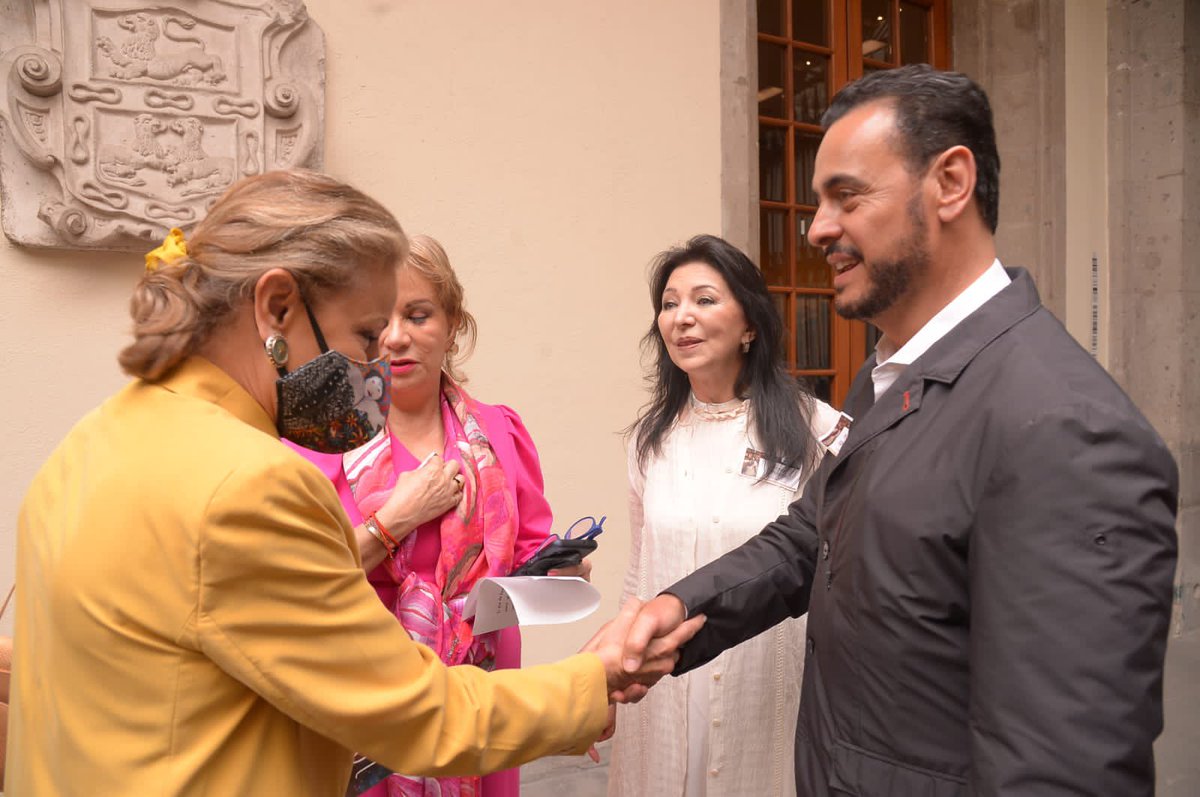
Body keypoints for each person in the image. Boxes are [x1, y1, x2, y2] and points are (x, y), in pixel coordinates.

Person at [7, 169, 700, 797]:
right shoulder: (249, 484)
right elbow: (418, 715)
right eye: (366, 334)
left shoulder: (86, 444)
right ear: (277, 307)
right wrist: (595, 676)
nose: (376, 362)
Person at [620, 65, 1179, 796]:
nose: (818, 228)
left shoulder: (1067, 428)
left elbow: (1060, 765)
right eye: (819, 202)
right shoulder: (890, 378)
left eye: (846, 197)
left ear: (950, 183)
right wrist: (678, 607)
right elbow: (808, 536)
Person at [287, 234, 587, 797]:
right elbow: (295, 584)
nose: (396, 338)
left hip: (479, 704)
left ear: (452, 325)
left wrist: (557, 572)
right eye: (377, 324)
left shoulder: (501, 433)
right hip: (364, 714)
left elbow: (526, 555)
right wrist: (394, 520)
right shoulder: (316, 444)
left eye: (418, 315)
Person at [608, 235, 845, 797]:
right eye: (669, 304)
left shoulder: (820, 431)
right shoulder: (650, 439)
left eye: (704, 300)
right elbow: (640, 573)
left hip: (769, 687)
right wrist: (609, 679)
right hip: (663, 692)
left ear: (750, 326)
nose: (681, 318)